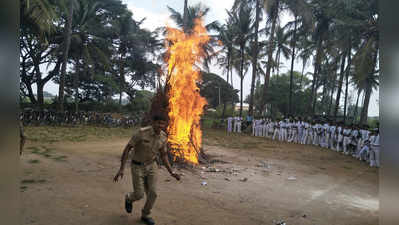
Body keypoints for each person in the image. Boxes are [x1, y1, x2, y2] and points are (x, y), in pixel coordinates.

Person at [113, 115, 181, 225]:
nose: (160, 126)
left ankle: (145, 214)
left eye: (163, 124)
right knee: (139, 194)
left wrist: (172, 172)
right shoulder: (141, 133)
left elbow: (164, 155)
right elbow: (127, 149)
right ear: (153, 123)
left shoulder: (163, 137)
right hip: (137, 166)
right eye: (158, 123)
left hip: (152, 166)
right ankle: (129, 198)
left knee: (153, 193)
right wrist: (121, 169)